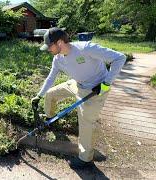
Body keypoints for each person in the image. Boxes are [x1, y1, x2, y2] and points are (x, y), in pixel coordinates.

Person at [32, 27, 126, 169]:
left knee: (86, 122)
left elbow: (120, 57)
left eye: (49, 46)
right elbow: (51, 78)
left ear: (59, 43)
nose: (48, 50)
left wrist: (106, 83)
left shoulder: (85, 48)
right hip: (77, 84)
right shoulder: (57, 59)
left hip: (96, 90)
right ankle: (50, 118)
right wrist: (39, 95)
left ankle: (85, 159)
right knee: (51, 94)